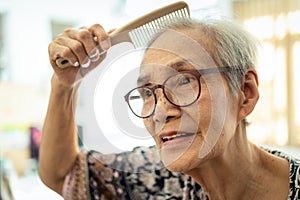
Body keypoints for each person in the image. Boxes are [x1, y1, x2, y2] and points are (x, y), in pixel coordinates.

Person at [38, 16, 300, 200]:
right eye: (147, 92)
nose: (161, 112)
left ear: (245, 92)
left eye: (184, 80)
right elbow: (64, 175)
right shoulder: (160, 178)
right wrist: (64, 86)